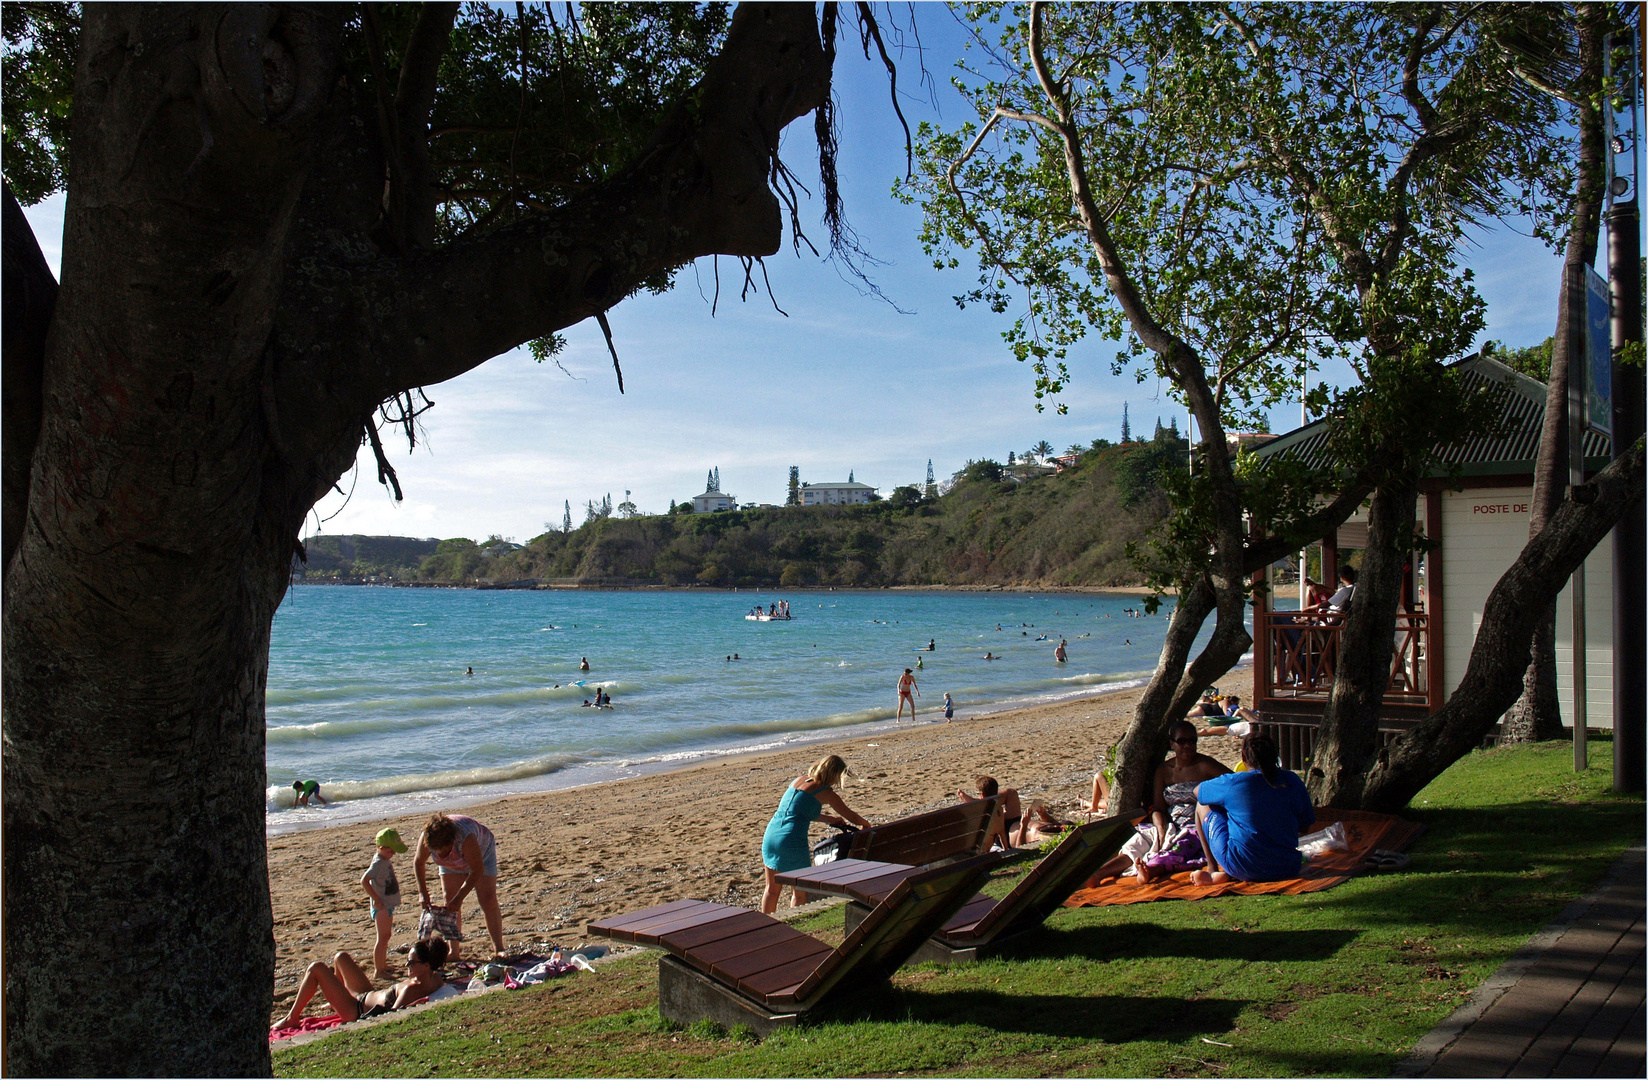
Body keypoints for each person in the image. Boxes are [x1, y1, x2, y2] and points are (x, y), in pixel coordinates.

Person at [1089, 720, 1231, 885]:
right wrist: (1161, 829)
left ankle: (1151, 870)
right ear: (1172, 744)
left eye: (1192, 741)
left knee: (1180, 847)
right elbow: (1159, 808)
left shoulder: (1206, 766)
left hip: (1197, 825)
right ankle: (1099, 874)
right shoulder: (1164, 771)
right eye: (1182, 741)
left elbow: (1235, 784)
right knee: (1140, 840)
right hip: (1171, 823)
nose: (1187, 746)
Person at [1190, 732, 1315, 885]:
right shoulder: (1292, 780)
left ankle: (1212, 869)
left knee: (1203, 804)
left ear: (1243, 757)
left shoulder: (1235, 782)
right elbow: (1305, 826)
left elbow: (1198, 791)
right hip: (1287, 866)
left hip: (1243, 866)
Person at [760, 755, 871, 913]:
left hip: (771, 834)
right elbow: (851, 815)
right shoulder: (826, 793)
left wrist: (830, 819)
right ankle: (795, 923)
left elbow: (800, 812)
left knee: (771, 889)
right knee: (799, 892)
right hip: (791, 840)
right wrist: (865, 824)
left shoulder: (799, 780)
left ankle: (766, 927)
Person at [272, 935, 450, 1032]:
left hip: (355, 1009)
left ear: (427, 965)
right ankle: (335, 1000)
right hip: (366, 994)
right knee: (341, 957)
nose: (406, 965)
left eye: (411, 963)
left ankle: (292, 1018)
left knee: (316, 968)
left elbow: (390, 1017)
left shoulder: (411, 990)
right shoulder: (436, 978)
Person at [415, 812, 506, 962]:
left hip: (482, 854)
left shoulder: (465, 837)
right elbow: (418, 863)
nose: (442, 855)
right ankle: (453, 951)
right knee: (449, 901)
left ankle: (499, 948)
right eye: (438, 852)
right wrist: (423, 893)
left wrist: (460, 897)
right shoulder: (426, 838)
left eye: (445, 850)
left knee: (488, 899)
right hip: (451, 866)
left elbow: (477, 870)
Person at [362, 827, 406, 977]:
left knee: (387, 936)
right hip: (381, 906)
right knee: (382, 937)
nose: (392, 855)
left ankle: (383, 964)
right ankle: (378, 970)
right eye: (390, 851)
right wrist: (376, 898)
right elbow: (364, 881)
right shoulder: (378, 863)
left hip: (387, 904)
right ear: (381, 848)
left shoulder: (384, 860)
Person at [958, 776, 1022, 850]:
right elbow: (1002, 833)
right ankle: (987, 800)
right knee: (1011, 793)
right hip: (1012, 826)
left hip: (1007, 833)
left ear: (981, 795)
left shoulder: (981, 815)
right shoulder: (1000, 809)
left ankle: (980, 802)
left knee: (1011, 793)